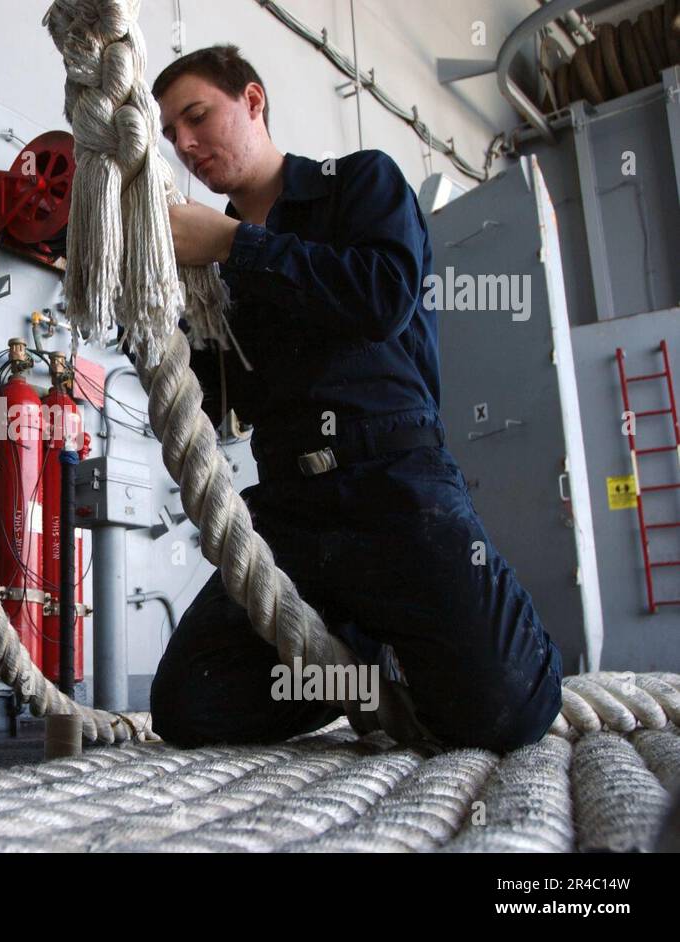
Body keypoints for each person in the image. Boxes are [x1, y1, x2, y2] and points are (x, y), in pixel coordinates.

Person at [147, 46, 564, 752]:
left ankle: (433, 642)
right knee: (191, 708)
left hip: (394, 487)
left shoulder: (360, 182)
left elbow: (384, 298)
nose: (184, 144)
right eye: (170, 135)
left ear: (252, 100)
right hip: (290, 513)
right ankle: (363, 669)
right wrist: (150, 313)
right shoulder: (210, 269)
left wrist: (236, 244)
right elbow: (216, 408)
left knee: (508, 716)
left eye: (196, 117)